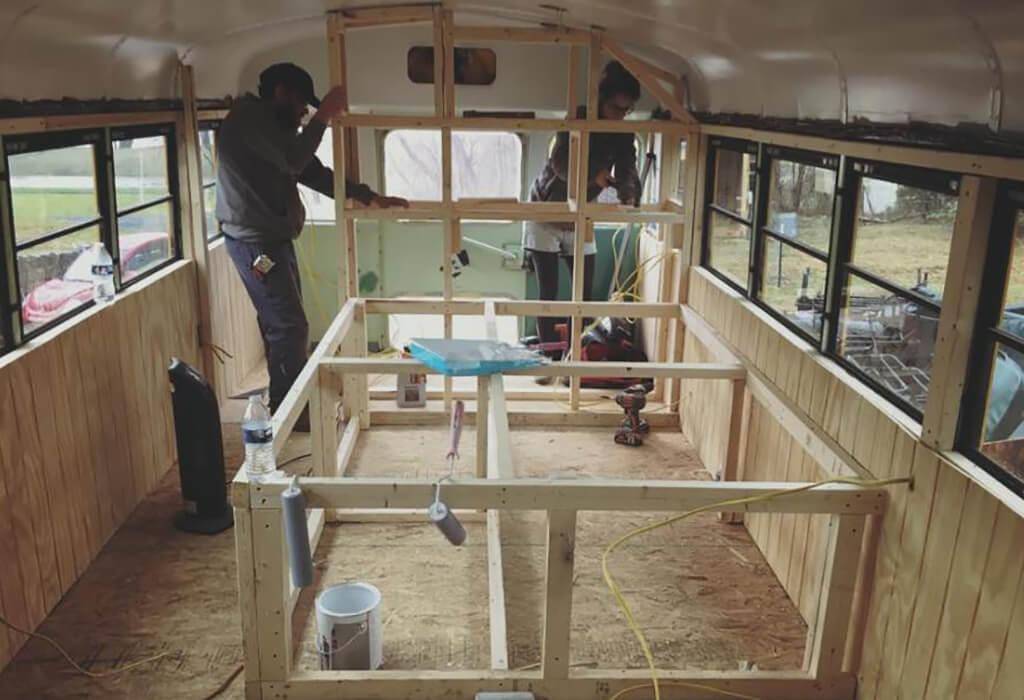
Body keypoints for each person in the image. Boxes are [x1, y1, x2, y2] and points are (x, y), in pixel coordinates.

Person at [216, 62, 408, 419]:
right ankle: (289, 415)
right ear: (282, 93)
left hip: (270, 241)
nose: (304, 114)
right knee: (289, 326)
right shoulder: (249, 120)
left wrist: (367, 195)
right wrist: (325, 116)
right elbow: (294, 160)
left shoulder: (270, 128)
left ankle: (287, 404)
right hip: (256, 246)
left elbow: (312, 172)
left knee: (284, 324)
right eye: (302, 105)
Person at [524, 60, 641, 367]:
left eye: (626, 111)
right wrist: (596, 175)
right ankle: (548, 358)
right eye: (616, 108)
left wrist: (629, 193)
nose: (620, 116)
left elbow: (628, 168)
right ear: (601, 100)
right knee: (548, 292)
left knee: (584, 295)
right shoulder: (578, 117)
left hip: (580, 217)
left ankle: (574, 355)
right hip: (547, 210)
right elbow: (560, 161)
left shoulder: (622, 134)